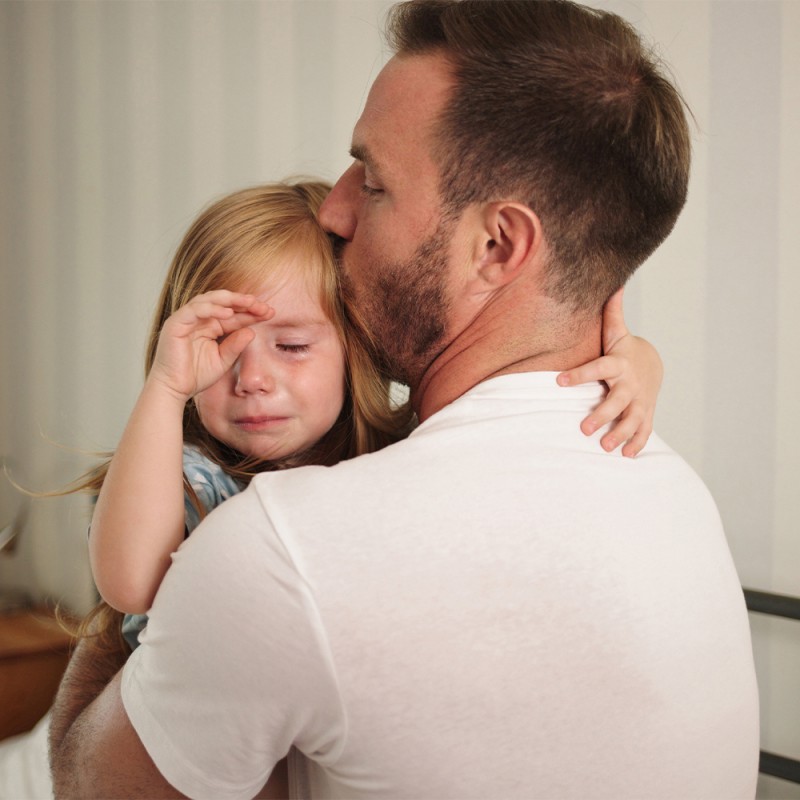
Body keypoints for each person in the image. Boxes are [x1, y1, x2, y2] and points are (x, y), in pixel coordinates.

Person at [49, 2, 760, 798]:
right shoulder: (672, 490)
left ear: (496, 247)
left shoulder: (286, 547)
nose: (335, 209)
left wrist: (160, 613)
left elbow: (91, 786)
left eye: (374, 182)